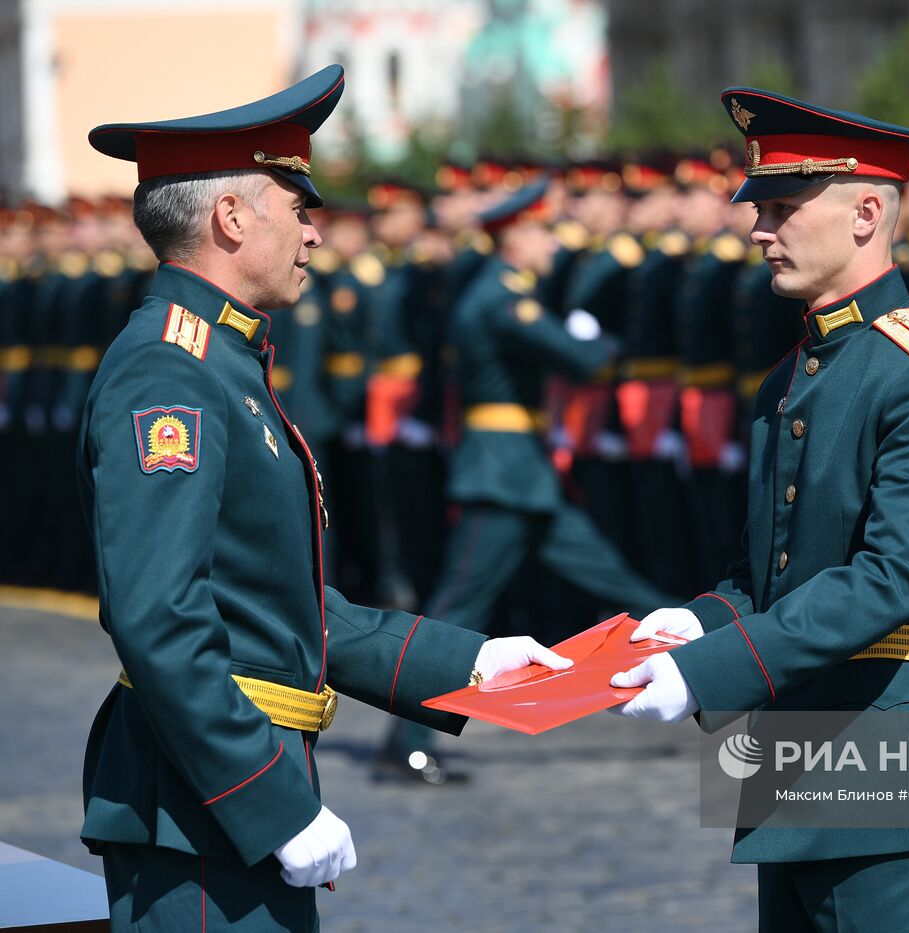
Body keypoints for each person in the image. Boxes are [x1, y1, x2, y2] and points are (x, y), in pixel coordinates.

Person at [79, 66, 570, 930]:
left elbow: (277, 603)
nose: (313, 235)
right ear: (232, 218)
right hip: (200, 811)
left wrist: (468, 663)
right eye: (298, 208)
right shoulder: (172, 367)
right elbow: (158, 616)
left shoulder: (220, 360)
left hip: (221, 800)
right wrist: (267, 800)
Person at [613, 86, 909, 932]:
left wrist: (708, 673)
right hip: (793, 782)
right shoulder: (792, 377)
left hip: (888, 783)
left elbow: (888, 581)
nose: (758, 230)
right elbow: (767, 576)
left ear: (867, 212)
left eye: (783, 207)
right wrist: (694, 623)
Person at [377, 177, 672, 780]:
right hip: (502, 476)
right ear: (516, 238)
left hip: (520, 474)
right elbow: (583, 360)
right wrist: (599, 332)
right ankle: (405, 742)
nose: (552, 247)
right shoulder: (503, 299)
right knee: (459, 607)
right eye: (542, 233)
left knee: (612, 578)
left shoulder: (502, 292)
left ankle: (711, 669)